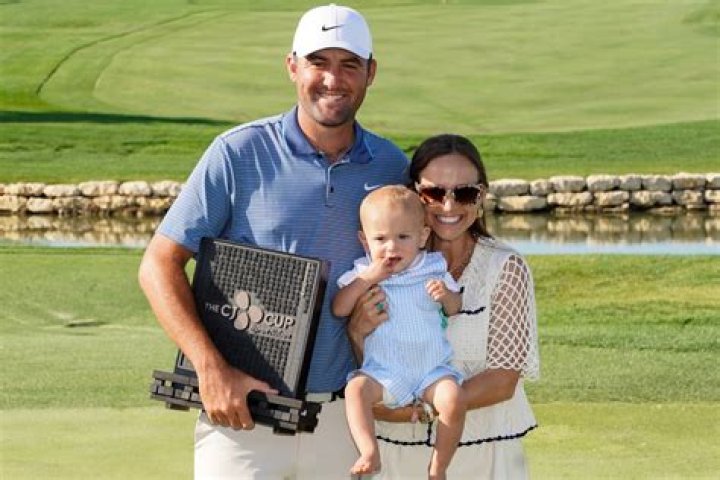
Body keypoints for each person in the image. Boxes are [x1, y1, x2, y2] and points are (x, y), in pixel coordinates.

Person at [137, 4, 408, 479]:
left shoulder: (391, 165)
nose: (333, 79)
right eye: (318, 62)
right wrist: (210, 369)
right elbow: (158, 263)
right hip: (244, 417)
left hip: (346, 423)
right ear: (292, 67)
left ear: (371, 73)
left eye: (348, 65)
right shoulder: (237, 152)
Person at [348, 134, 540, 479]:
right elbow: (376, 359)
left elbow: (503, 380)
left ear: (481, 196)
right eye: (435, 193)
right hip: (394, 451)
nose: (449, 207)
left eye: (464, 193)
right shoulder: (381, 268)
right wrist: (356, 333)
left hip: (483, 452)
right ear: (415, 195)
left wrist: (423, 409)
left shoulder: (505, 267)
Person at [332, 185, 466, 478]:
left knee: (454, 399)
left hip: (431, 369)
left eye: (403, 237)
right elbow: (339, 309)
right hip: (385, 372)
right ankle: (369, 452)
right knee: (355, 390)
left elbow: (455, 308)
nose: (391, 248)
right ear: (364, 241)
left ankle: (439, 467)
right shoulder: (363, 271)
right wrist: (367, 278)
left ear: (422, 236)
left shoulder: (433, 267)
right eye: (380, 239)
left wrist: (445, 296)